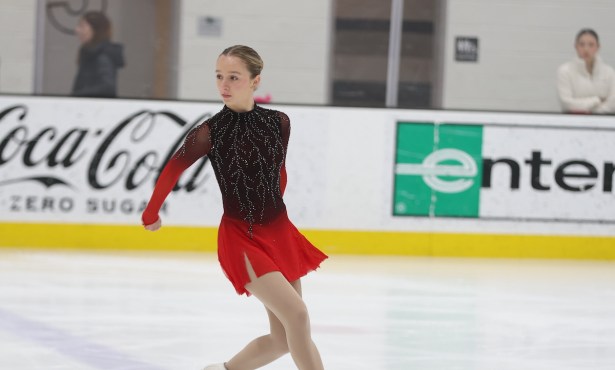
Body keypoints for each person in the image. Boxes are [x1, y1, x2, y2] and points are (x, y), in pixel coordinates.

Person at [141, 45, 328, 370]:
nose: (224, 85)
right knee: (297, 315)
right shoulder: (210, 132)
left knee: (283, 338)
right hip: (242, 238)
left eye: (233, 77)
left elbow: (278, 172)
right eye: (219, 77)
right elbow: (172, 169)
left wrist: (276, 213)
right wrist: (151, 212)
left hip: (279, 232)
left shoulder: (279, 122)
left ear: (255, 80)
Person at [557, 28, 615, 114]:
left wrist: (593, 112)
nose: (586, 49)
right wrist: (597, 100)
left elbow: (613, 102)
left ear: (598, 47)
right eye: (582, 44)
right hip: (573, 122)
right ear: (576, 47)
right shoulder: (565, 71)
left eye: (591, 45)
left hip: (604, 122)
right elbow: (566, 104)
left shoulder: (609, 72)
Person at [72, 11, 124, 98]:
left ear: (95, 30)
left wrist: (78, 95)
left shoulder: (103, 56)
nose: (77, 30)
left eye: (82, 26)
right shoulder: (89, 53)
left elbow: (107, 87)